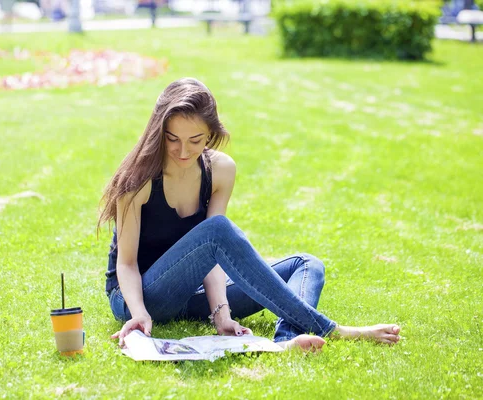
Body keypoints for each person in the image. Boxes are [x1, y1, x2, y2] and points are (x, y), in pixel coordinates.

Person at [98, 77, 401, 352]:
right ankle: (331, 329)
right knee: (217, 229)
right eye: (172, 138)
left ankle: (286, 341)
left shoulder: (220, 170)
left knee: (307, 265)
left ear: (211, 135)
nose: (183, 151)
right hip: (138, 297)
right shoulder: (137, 181)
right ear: (158, 132)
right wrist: (139, 313)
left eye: (196, 140)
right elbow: (125, 264)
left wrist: (222, 313)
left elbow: (211, 257)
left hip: (193, 294)